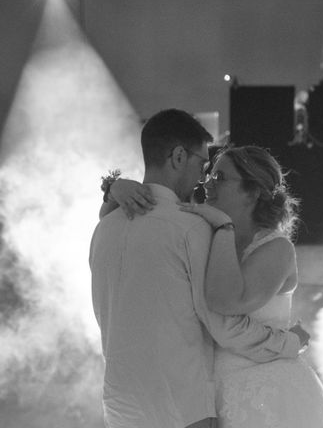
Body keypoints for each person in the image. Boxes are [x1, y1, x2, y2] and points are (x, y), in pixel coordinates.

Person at [89, 109, 309, 428]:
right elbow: (223, 324)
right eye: (202, 165)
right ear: (179, 156)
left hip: (120, 404)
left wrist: (113, 188)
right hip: (180, 407)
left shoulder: (105, 228)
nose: (203, 181)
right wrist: (291, 342)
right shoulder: (195, 230)